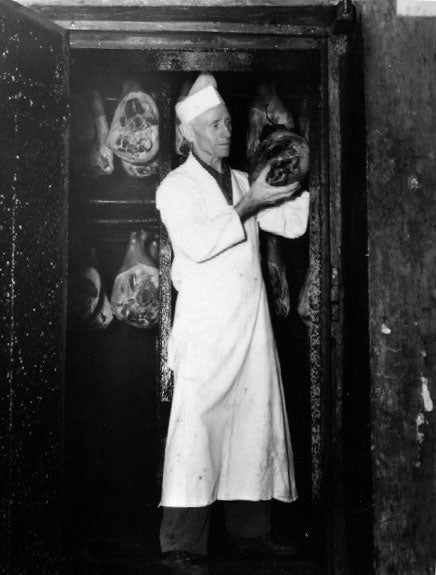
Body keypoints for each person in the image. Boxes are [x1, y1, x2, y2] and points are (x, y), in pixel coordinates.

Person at [156, 73, 310, 574]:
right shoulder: (175, 187)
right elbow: (199, 244)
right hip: (205, 332)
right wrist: (249, 203)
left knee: (252, 425)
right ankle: (182, 545)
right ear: (190, 134)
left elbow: (291, 224)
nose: (227, 131)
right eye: (217, 124)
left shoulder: (244, 179)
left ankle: (251, 535)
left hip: (251, 327)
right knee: (195, 433)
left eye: (226, 123)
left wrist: (294, 176)